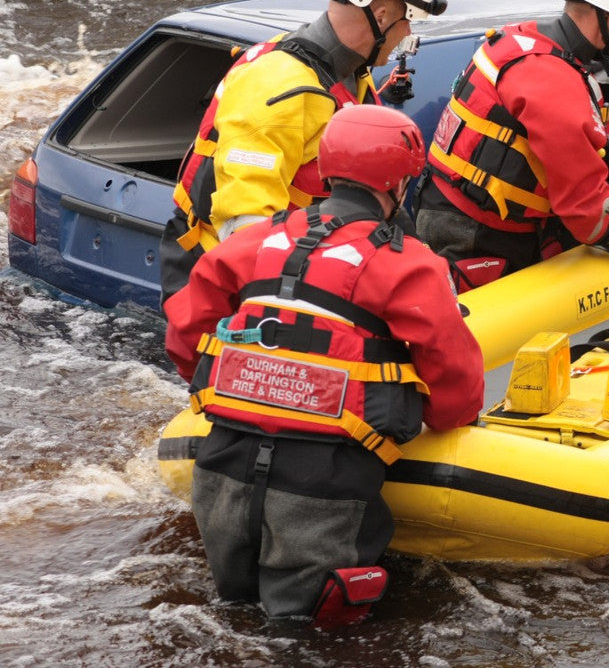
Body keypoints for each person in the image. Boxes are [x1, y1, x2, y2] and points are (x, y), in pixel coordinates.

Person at [164, 104, 484, 623]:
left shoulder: (253, 242)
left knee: (227, 615)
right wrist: (449, 421)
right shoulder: (406, 265)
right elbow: (453, 373)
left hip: (223, 465)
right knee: (302, 630)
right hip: (325, 482)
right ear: (399, 182)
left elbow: (184, 333)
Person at [160, 0, 446, 302]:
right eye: (409, 21)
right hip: (219, 276)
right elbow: (244, 222)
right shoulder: (281, 85)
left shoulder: (345, 73)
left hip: (292, 257)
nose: (408, 35)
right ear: (382, 16)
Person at [415, 0, 609, 290]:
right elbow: (583, 212)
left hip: (447, 208)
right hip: (478, 237)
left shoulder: (520, 42)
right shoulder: (555, 84)